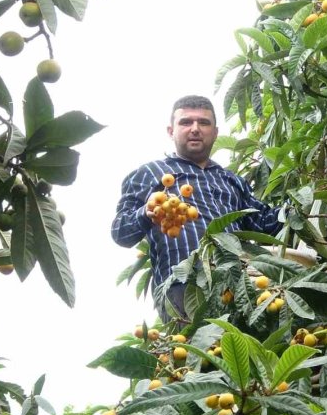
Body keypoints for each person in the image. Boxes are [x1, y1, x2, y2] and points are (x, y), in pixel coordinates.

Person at [112, 95, 283, 321]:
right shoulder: (149, 174)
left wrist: (304, 203)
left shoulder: (231, 180)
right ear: (170, 131)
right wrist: (146, 213)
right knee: (199, 353)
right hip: (182, 286)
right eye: (185, 122)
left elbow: (266, 224)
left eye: (203, 123)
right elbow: (121, 232)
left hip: (239, 285)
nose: (195, 129)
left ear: (215, 132)